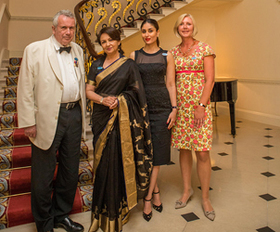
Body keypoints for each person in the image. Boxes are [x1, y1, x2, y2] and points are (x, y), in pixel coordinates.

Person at [17, 10, 86, 232]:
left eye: (71, 28)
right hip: (47, 118)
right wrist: (28, 121)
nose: (68, 32)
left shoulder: (78, 50)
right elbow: (25, 88)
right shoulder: (35, 50)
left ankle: (61, 215)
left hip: (74, 114)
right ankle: (44, 223)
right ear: (54, 28)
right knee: (43, 175)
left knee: (69, 169)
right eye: (63, 27)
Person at [86, 27, 153, 232]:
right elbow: (88, 90)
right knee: (102, 163)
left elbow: (136, 93)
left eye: (111, 40)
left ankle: (118, 210)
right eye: (103, 41)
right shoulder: (96, 64)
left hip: (121, 120)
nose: (107, 44)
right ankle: (100, 210)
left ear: (118, 41)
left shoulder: (129, 65)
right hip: (101, 118)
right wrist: (102, 99)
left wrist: (121, 100)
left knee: (116, 164)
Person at [129, 19, 177, 222]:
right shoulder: (135, 56)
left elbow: (171, 83)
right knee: (145, 153)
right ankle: (155, 191)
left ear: (158, 32)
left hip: (162, 109)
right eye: (144, 31)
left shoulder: (167, 55)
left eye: (150, 30)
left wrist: (174, 108)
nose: (147, 34)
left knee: (157, 153)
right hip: (141, 109)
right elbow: (131, 85)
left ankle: (147, 197)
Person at [170, 13, 216, 221]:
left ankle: (205, 198)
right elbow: (170, 82)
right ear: (177, 28)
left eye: (188, 24)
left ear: (193, 27)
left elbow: (210, 80)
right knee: (184, 149)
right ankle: (187, 190)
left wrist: (201, 105)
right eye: (182, 24)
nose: (185, 26)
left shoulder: (205, 48)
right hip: (181, 109)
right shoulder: (172, 52)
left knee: (203, 152)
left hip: (199, 107)